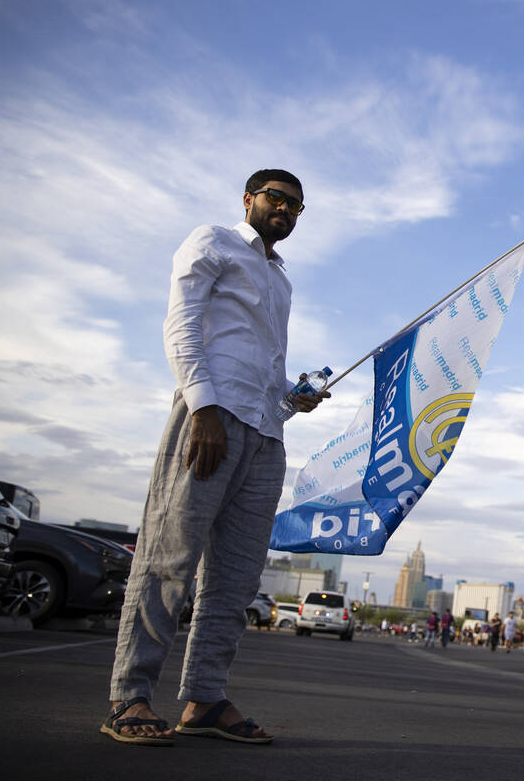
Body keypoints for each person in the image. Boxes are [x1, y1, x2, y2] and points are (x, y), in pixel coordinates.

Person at [102, 170, 327, 747]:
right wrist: (201, 407)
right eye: (276, 198)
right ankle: (130, 695)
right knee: (168, 556)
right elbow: (182, 324)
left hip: (265, 432)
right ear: (249, 200)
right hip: (211, 418)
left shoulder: (281, 280)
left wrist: (291, 399)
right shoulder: (213, 241)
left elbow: (266, 359)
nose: (286, 210)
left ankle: (204, 698)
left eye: (297, 206)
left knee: (235, 578)